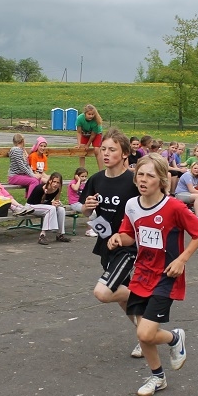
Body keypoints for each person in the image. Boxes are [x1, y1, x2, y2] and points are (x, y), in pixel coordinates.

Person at [108, 154, 198, 396]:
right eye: (140, 175)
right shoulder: (132, 205)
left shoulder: (173, 207)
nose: (143, 180)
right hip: (141, 274)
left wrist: (182, 259)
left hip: (166, 275)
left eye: (150, 176)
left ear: (162, 180)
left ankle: (174, 338)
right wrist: (118, 238)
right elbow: (130, 235)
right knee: (143, 333)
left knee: (145, 332)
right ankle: (157, 377)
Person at [82, 129, 141, 355]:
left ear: (125, 153)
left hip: (128, 246)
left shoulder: (133, 182)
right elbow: (86, 212)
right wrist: (86, 208)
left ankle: (145, 302)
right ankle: (146, 334)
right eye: (104, 149)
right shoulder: (96, 180)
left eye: (112, 150)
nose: (106, 154)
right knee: (122, 298)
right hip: (105, 245)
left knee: (105, 292)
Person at [26, 172, 70, 245]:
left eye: (58, 183)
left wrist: (57, 204)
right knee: (51, 209)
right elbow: (36, 202)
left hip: (44, 207)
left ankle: (60, 234)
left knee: (61, 210)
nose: (55, 184)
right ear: (50, 181)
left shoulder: (57, 189)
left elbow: (56, 200)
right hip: (31, 206)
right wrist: (51, 204)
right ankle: (42, 235)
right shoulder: (40, 189)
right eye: (54, 182)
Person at [6, 133, 42, 198]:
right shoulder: (16, 150)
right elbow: (22, 166)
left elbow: (27, 165)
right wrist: (32, 175)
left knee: (38, 179)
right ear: (22, 141)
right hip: (14, 176)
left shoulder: (22, 150)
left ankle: (34, 197)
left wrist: (33, 174)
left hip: (21, 175)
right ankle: (30, 201)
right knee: (34, 181)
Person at [76, 104, 104, 170]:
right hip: (85, 133)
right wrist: (79, 144)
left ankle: (101, 170)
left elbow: (93, 135)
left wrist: (88, 145)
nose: (91, 116)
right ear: (85, 113)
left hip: (96, 134)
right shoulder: (80, 118)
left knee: (96, 150)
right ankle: (82, 170)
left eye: (92, 114)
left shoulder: (96, 121)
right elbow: (79, 132)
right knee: (81, 149)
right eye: (89, 114)